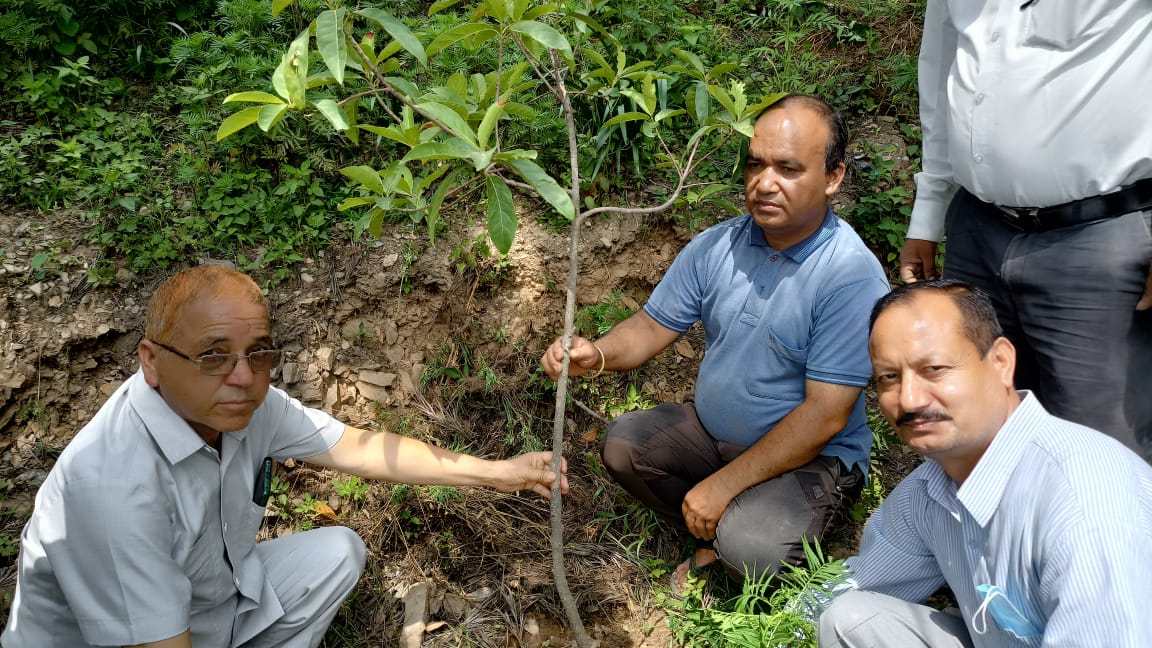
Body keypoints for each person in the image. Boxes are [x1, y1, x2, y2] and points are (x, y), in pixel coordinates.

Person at [2, 265, 566, 648]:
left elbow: (361, 449)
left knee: (337, 553)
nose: (243, 377)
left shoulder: (247, 404)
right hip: (125, 636)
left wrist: (501, 473)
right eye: (212, 356)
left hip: (205, 604)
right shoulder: (113, 488)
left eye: (259, 353)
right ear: (152, 361)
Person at [541, 94, 890, 582]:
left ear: (833, 177)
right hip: (714, 437)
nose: (765, 183)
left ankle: (733, 534)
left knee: (754, 548)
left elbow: (825, 416)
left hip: (813, 458)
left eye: (788, 169)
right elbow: (650, 326)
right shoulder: (718, 244)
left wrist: (723, 486)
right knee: (625, 446)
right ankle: (722, 523)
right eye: (755, 166)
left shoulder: (850, 276)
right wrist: (595, 354)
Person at [818, 280, 1152, 648]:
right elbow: (848, 587)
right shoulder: (932, 489)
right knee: (848, 618)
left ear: (1001, 362)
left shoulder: (1082, 499)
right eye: (889, 378)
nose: (909, 399)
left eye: (934, 369)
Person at [897, 0, 1152, 460]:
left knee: (1105, 449)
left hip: (1099, 239)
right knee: (979, 425)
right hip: (977, 227)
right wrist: (929, 211)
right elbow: (940, 71)